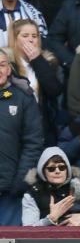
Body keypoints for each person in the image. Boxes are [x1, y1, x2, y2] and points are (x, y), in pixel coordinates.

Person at [0, 47, 43, 225]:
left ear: (9, 69)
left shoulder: (23, 98)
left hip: (10, 191)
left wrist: (20, 180)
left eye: (2, 65)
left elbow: (33, 143)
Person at [22, 147, 80, 226]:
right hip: (49, 242)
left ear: (67, 169)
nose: (57, 171)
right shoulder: (33, 194)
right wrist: (50, 219)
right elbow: (28, 230)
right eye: (51, 168)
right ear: (43, 171)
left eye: (62, 167)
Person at [7, 18, 62, 145]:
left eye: (35, 36)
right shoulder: (7, 65)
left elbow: (54, 90)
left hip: (42, 129)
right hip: (15, 130)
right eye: (25, 36)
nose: (31, 40)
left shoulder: (48, 63)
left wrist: (38, 61)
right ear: (15, 39)